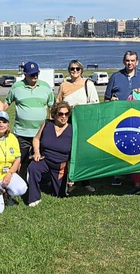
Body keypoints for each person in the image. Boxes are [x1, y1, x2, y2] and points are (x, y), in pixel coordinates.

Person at [6, 61, 55, 178]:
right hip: (21, 133)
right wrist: (0, 118)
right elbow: (6, 103)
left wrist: (51, 126)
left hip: (40, 133)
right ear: (25, 74)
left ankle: (38, 182)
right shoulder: (16, 87)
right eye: (32, 74)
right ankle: (19, 182)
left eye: (36, 74)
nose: (35, 77)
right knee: (19, 160)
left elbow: (52, 107)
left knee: (39, 160)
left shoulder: (46, 87)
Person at [56, 59, 98, 193]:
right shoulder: (63, 85)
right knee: (67, 152)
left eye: (77, 69)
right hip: (66, 124)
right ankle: (69, 181)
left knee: (83, 153)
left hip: (83, 124)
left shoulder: (88, 84)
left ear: (81, 70)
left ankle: (86, 181)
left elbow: (95, 104)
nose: (74, 71)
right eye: (72, 69)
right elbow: (57, 104)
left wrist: (82, 108)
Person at [27, 101, 73, 207]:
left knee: (60, 195)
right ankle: (34, 198)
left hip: (61, 165)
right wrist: (37, 152)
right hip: (45, 159)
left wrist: (72, 173)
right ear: (55, 114)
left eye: (66, 114)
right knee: (33, 167)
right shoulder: (47, 124)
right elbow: (36, 138)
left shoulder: (72, 129)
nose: (64, 117)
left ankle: (57, 185)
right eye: (61, 114)